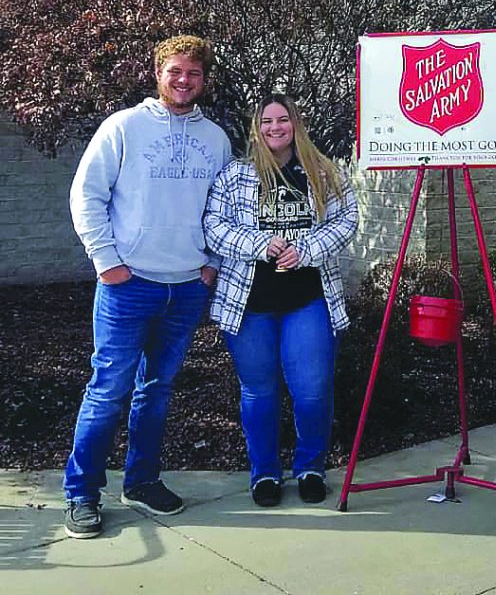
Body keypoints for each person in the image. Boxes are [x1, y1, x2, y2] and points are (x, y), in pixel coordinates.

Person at [63, 35, 232, 540]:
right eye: (176, 71)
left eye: (194, 74)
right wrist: (107, 260)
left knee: (156, 390)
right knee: (108, 390)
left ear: (204, 80)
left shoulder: (216, 138)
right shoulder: (124, 127)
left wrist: (212, 265)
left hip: (186, 288)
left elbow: (224, 207)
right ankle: (82, 494)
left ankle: (140, 481)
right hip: (128, 285)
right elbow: (86, 194)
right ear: (159, 72)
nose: (185, 81)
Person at [204, 93, 358, 506]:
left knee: (311, 389)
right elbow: (213, 227)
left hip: (308, 299)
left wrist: (307, 248)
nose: (275, 127)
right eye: (267, 120)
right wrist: (258, 243)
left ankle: (310, 466)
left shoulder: (323, 172)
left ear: (295, 124)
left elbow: (348, 220)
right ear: (257, 127)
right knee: (258, 391)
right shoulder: (236, 175)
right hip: (250, 302)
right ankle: (265, 473)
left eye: (283, 119)